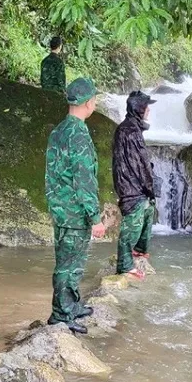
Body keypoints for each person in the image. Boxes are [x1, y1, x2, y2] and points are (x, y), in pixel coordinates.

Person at [45, 77, 106, 335]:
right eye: (94, 99)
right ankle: (61, 315)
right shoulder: (78, 134)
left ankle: (72, 304)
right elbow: (84, 179)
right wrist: (95, 217)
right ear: (88, 102)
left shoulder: (60, 130)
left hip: (61, 208)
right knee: (68, 265)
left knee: (71, 262)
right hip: (74, 211)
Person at [112, 90, 157, 279]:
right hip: (131, 187)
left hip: (132, 185)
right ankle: (124, 265)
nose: (148, 111)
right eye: (147, 107)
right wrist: (150, 187)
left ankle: (140, 250)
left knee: (148, 210)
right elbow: (141, 164)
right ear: (140, 109)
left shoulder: (130, 128)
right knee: (132, 224)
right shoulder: (131, 131)